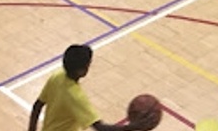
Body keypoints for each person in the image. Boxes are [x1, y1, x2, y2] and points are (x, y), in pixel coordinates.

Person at [28, 44, 156, 131]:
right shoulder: (76, 96)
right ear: (82, 71)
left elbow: (37, 105)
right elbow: (100, 127)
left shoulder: (57, 76)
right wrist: (132, 126)